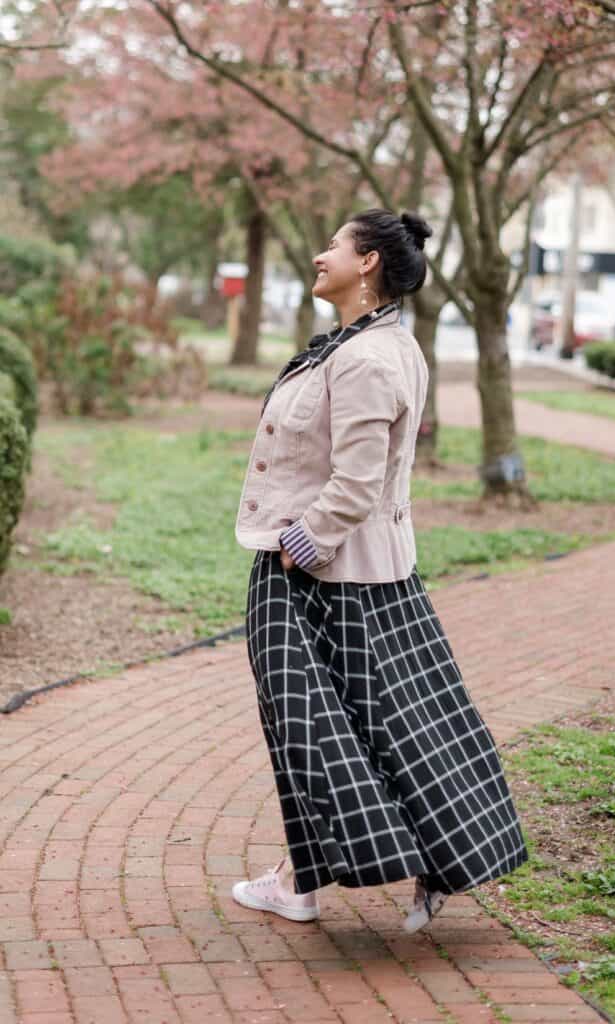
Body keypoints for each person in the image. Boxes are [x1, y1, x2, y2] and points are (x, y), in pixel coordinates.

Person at [232, 208, 527, 933]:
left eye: (332, 243)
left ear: (366, 263)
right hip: (365, 573)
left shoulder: (366, 357)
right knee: (384, 724)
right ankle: (312, 876)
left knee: (312, 728)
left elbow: (358, 481)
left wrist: (298, 545)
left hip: (318, 572)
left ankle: (306, 882)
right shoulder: (380, 342)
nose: (317, 253)